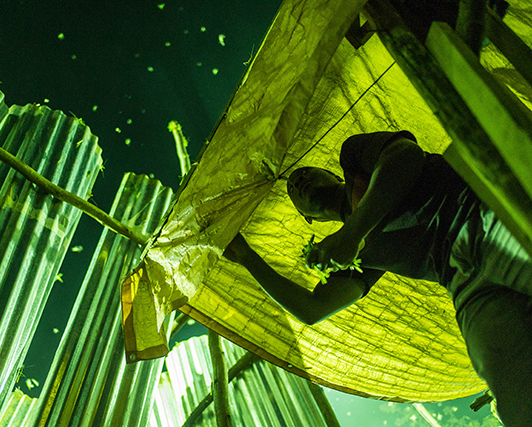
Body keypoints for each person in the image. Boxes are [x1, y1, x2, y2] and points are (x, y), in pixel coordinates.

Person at [224, 131, 532, 426]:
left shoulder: (355, 162)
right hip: (461, 283)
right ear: (307, 218)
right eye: (293, 188)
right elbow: (312, 308)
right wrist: (248, 258)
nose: (298, 179)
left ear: (333, 175)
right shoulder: (355, 256)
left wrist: (352, 231)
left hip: (474, 211)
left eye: (305, 172)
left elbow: (405, 155)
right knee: (507, 378)